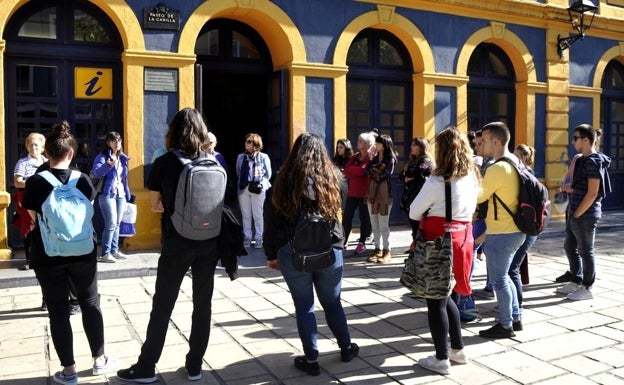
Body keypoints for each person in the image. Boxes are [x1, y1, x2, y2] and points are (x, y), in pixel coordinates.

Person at [117, 108, 223, 383]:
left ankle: (146, 367)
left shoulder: (164, 163)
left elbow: (155, 205)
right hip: (209, 243)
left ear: (172, 131)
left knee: (163, 305)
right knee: (203, 305)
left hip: (176, 242)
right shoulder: (212, 161)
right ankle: (195, 366)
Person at [22, 121, 116, 385]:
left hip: (48, 253)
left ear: (47, 153)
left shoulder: (36, 183)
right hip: (83, 252)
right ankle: (99, 361)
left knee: (58, 310)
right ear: (71, 153)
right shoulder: (84, 181)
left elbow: (33, 218)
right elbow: (87, 214)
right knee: (90, 303)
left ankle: (69, 371)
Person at [263, 133, 359, 376]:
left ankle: (311, 358)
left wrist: (271, 253)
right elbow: (342, 212)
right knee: (333, 302)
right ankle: (346, 347)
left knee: (304, 306)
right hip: (330, 248)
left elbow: (271, 220)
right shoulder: (335, 178)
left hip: (292, 250)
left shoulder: (284, 180)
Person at [409, 126, 479, 375]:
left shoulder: (437, 181)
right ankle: (457, 350)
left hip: (439, 244)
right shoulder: (471, 177)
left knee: (434, 301)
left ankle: (441, 359)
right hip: (461, 241)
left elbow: (414, 212)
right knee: (446, 295)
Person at [476, 122, 525, 339]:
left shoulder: (496, 168)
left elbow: (479, 197)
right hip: (515, 230)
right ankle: (515, 317)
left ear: (496, 141)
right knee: (505, 277)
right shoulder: (513, 160)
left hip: (501, 231)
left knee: (499, 280)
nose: (480, 144)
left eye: (484, 140)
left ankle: (505, 325)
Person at [556, 124, 611, 301]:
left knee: (586, 251)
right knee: (570, 246)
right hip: (575, 212)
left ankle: (587, 287)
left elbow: (593, 192)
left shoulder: (594, 161)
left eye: (576, 138)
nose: (573, 142)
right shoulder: (582, 160)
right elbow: (579, 186)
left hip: (585, 215)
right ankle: (576, 278)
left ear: (586, 140)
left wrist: (578, 213)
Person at [91, 132, 131, 263]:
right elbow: (96, 173)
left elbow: (124, 179)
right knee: (111, 224)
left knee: (117, 224)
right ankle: (105, 253)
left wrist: (127, 193)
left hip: (120, 195)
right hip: (107, 195)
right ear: (108, 143)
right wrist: (108, 165)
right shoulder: (102, 157)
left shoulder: (123, 158)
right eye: (114, 141)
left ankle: (114, 250)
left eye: (119, 140)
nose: (117, 143)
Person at [508, 144, 538, 307]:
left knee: (512, 268)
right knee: (514, 266)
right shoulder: (524, 174)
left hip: (527, 228)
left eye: (517, 155)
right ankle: (513, 304)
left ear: (524, 157)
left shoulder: (524, 175)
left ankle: (516, 307)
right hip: (527, 228)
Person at [13, 132, 47, 270]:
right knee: (29, 229)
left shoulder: (46, 162)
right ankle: (29, 260)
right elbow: (17, 182)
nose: (33, 148)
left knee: (44, 228)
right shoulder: (22, 163)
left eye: (36, 145)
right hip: (27, 199)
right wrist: (35, 182)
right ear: (27, 147)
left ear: (42, 147)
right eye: (31, 145)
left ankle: (44, 257)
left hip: (44, 199)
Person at [364, 134, 397, 264]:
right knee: (374, 224)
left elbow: (383, 176)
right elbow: (366, 170)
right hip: (371, 194)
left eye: (377, 144)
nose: (375, 145)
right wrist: (373, 167)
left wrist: (374, 171)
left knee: (383, 224)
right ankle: (377, 249)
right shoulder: (375, 158)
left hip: (384, 195)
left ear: (384, 145)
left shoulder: (390, 159)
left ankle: (386, 250)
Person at [236, 133, 272, 248]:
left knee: (258, 215)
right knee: (246, 215)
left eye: (250, 141)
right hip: (244, 189)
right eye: (246, 141)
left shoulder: (263, 157)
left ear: (256, 143)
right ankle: (247, 237)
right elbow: (238, 172)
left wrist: (260, 184)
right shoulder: (241, 157)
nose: (247, 143)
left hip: (257, 189)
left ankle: (258, 238)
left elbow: (268, 174)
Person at [342, 132, 375, 254]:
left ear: (367, 144)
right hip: (352, 192)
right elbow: (346, 171)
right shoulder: (355, 157)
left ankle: (362, 242)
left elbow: (363, 171)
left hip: (364, 193)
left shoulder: (371, 157)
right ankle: (343, 241)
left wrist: (353, 171)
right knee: (347, 217)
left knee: (364, 218)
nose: (357, 142)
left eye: (360, 141)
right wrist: (354, 171)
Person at [399, 137, 433, 253]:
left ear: (421, 147)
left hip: (419, 196)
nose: (411, 147)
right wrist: (407, 176)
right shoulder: (413, 161)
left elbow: (414, 172)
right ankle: (415, 246)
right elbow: (401, 176)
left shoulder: (426, 160)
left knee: (419, 225)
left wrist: (409, 174)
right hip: (410, 197)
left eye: (414, 145)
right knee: (413, 224)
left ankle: (418, 249)